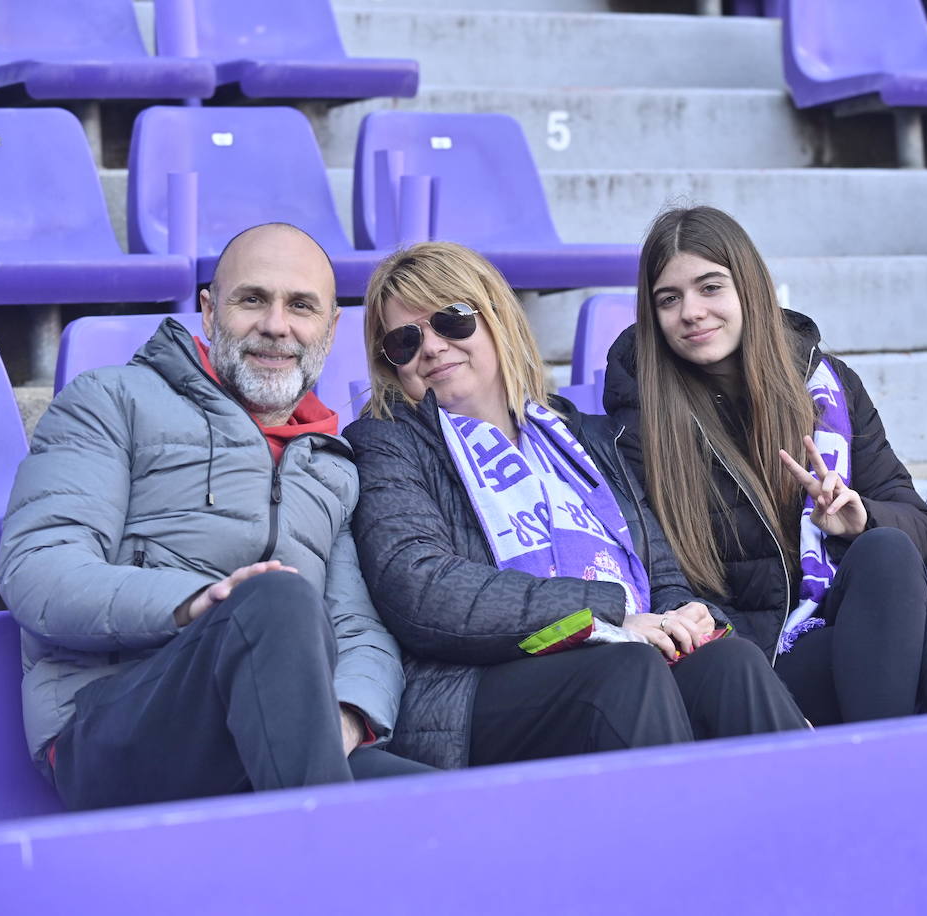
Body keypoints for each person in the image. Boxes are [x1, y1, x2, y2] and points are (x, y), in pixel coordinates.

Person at [0, 222, 422, 811]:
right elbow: (39, 571)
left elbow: (357, 627)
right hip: (112, 726)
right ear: (208, 310)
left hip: (273, 733)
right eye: (253, 299)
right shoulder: (110, 400)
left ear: (330, 330)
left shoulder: (335, 463)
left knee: (441, 811)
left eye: (301, 306)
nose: (276, 325)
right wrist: (201, 602)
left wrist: (350, 713)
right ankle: (330, 865)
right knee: (276, 598)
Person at [344, 241, 807, 770]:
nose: (430, 347)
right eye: (404, 341)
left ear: (496, 317)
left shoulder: (580, 435)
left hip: (623, 655)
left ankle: (821, 840)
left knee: (730, 662)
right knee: (625, 669)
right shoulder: (387, 444)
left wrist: (681, 614)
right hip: (477, 688)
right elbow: (421, 588)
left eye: (451, 320)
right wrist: (606, 616)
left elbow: (657, 569)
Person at [602, 205, 927, 726]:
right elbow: (662, 581)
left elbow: (920, 530)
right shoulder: (637, 425)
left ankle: (880, 769)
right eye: (669, 299)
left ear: (749, 288)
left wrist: (858, 519)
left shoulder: (828, 386)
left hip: (851, 626)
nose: (691, 312)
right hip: (750, 662)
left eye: (710, 288)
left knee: (888, 550)